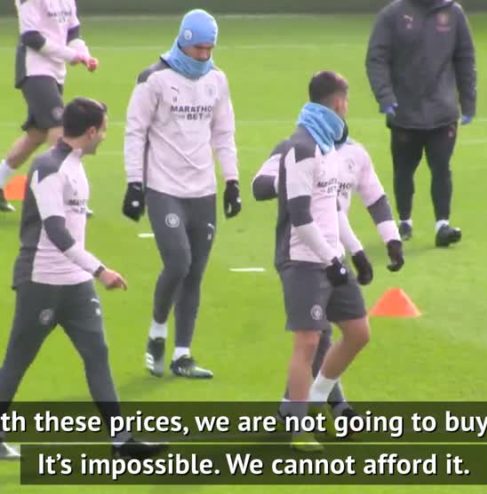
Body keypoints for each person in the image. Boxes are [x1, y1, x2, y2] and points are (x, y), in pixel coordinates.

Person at [0, 98, 162, 461]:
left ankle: (121, 441)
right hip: (41, 281)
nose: (104, 136)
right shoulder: (48, 168)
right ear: (90, 132)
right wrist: (100, 271)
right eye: (103, 129)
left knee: (97, 353)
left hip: (75, 283)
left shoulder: (75, 165)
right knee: (18, 359)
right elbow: (56, 231)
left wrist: (87, 272)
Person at [253, 122, 404, 432]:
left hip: (334, 251)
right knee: (315, 336)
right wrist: (294, 180)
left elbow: (370, 200)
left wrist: (384, 241)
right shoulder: (295, 149)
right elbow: (259, 186)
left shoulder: (353, 154)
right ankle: (326, 408)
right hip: (300, 254)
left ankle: (301, 406)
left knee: (345, 333)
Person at [122, 9, 241, 380]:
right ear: (184, 42)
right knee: (178, 262)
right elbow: (135, 132)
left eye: (210, 49)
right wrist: (134, 184)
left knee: (195, 274)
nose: (204, 56)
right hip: (164, 188)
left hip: (203, 190)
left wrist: (232, 181)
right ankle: (157, 333)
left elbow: (223, 133)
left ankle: (182, 354)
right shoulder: (153, 79)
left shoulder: (217, 80)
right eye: (199, 49)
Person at [254, 71, 370, 449]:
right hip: (303, 260)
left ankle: (315, 400)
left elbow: (332, 208)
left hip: (330, 256)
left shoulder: (329, 148)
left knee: (358, 332)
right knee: (307, 342)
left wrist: (356, 251)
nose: (347, 108)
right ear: (338, 102)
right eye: (346, 102)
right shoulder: (302, 149)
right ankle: (299, 428)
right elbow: (301, 217)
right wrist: (331, 260)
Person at [365, 0, 476, 247]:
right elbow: (376, 58)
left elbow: (465, 58)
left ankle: (442, 225)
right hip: (405, 112)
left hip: (443, 112)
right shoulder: (393, 15)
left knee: (441, 167)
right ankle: (404, 221)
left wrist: (468, 102)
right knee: (404, 169)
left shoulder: (453, 13)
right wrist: (385, 97)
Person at [0, 0, 98, 213]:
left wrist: (84, 54)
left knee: (37, 135)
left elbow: (72, 32)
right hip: (34, 69)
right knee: (59, 127)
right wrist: (71, 55)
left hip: (55, 72)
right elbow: (31, 37)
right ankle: (64, 195)